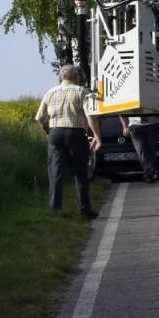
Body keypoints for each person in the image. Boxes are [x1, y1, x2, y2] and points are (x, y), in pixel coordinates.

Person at [34, 64, 102, 218]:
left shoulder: (50, 93)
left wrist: (48, 130)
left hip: (55, 133)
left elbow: (40, 117)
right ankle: (84, 209)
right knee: (80, 171)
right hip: (75, 133)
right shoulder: (81, 92)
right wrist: (97, 136)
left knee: (55, 171)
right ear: (75, 77)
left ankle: (55, 210)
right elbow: (90, 115)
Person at [120, 112, 159, 183]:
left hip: (152, 125)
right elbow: (122, 110)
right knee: (141, 149)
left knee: (151, 149)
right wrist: (125, 126)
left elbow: (158, 109)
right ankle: (150, 171)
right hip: (135, 127)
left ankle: (148, 173)